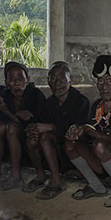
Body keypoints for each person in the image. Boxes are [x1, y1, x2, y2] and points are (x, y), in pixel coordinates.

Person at [65, 55, 111, 206]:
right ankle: (96, 186)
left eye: (110, 81)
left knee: (100, 145)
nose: (104, 86)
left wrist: (90, 132)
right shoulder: (97, 105)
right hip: (102, 160)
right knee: (69, 143)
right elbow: (91, 128)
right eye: (100, 81)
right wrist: (78, 131)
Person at [32, 61, 90, 200]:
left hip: (77, 150)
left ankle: (58, 180)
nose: (57, 83)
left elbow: (81, 133)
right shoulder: (49, 103)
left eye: (62, 79)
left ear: (71, 80)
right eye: (53, 78)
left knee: (51, 137)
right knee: (36, 138)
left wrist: (52, 127)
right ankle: (50, 176)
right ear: (48, 81)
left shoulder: (81, 102)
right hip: (56, 151)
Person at [0, 61, 46, 191]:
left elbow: (32, 122)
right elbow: (1, 120)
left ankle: (16, 176)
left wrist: (7, 112)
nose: (16, 83)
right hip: (14, 141)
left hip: (34, 136)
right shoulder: (6, 96)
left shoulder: (35, 94)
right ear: (6, 82)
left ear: (27, 79)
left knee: (12, 128)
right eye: (11, 79)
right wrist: (14, 114)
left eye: (20, 78)